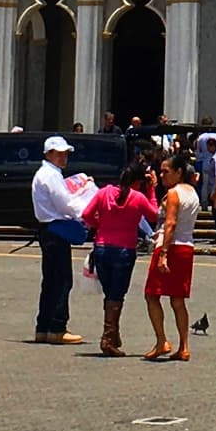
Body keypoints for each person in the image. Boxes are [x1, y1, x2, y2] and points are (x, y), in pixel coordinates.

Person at [84, 158, 159, 356]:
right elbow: (153, 215)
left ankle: (112, 334)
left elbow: (86, 214)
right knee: (117, 295)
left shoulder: (104, 192)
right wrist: (151, 191)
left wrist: (97, 225)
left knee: (110, 294)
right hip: (124, 249)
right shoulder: (137, 197)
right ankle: (107, 338)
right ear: (138, 181)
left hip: (102, 247)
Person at [31, 135, 88, 345]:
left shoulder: (45, 174)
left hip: (47, 228)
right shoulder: (51, 175)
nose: (64, 157)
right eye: (60, 153)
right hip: (56, 228)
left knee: (50, 280)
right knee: (62, 280)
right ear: (49, 154)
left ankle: (43, 326)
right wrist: (87, 212)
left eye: (65, 153)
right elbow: (66, 204)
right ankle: (57, 327)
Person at [143, 155, 200, 361]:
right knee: (178, 299)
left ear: (178, 172)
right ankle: (184, 345)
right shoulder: (192, 192)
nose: (162, 174)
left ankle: (161, 341)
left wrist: (163, 254)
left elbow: (170, 224)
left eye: (166, 171)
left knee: (152, 294)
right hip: (186, 247)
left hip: (170, 246)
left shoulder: (174, 193)